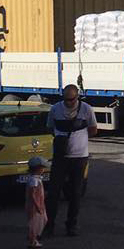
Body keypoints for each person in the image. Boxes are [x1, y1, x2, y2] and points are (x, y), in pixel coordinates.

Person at [47, 85, 98, 237]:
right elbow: (50, 128)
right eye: (66, 99)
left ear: (77, 97)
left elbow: (93, 129)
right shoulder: (55, 109)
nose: (68, 102)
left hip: (79, 157)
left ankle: (71, 225)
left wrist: (79, 140)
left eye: (71, 99)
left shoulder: (86, 109)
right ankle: (49, 224)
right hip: (60, 157)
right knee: (54, 193)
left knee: (75, 193)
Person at [20, 155, 49, 249]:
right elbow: (32, 194)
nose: (43, 170)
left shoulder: (35, 178)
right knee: (35, 223)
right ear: (38, 169)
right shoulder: (34, 180)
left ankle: (33, 236)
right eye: (42, 168)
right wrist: (37, 206)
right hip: (34, 206)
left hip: (39, 204)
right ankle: (33, 240)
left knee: (43, 220)